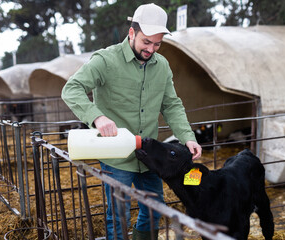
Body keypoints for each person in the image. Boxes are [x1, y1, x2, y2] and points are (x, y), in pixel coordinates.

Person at [61, 3, 202, 239]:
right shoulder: (105, 61)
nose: (151, 49)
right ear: (131, 33)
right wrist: (97, 116)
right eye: (146, 42)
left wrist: (188, 137)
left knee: (154, 207)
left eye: (157, 44)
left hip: (149, 154)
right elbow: (71, 89)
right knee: (118, 214)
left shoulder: (162, 66)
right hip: (116, 155)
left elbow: (171, 105)